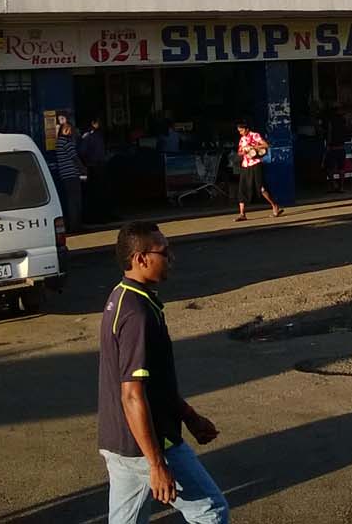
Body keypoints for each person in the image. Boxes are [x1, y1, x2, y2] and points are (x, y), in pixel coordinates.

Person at [98, 223, 226, 524]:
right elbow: (132, 395)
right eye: (164, 252)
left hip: (120, 442)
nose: (171, 258)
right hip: (149, 444)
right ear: (141, 258)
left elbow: (155, 383)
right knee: (211, 513)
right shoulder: (137, 314)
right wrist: (156, 463)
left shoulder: (123, 296)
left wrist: (189, 416)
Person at [232, 118, 282, 221]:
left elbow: (266, 145)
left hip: (256, 164)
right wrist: (244, 152)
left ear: (246, 129)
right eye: (239, 131)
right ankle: (242, 214)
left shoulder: (255, 135)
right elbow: (239, 152)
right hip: (245, 165)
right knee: (242, 188)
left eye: (241, 130)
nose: (240, 133)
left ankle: (274, 205)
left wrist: (253, 147)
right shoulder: (242, 139)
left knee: (261, 187)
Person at [80, 117, 115, 225]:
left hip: (102, 165)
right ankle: (96, 217)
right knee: (95, 193)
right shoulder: (87, 136)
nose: (100, 124)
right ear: (93, 123)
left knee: (104, 192)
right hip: (93, 167)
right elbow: (82, 152)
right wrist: (88, 163)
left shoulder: (99, 135)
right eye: (97, 122)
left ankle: (105, 215)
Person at [53, 115, 86, 230]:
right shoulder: (67, 143)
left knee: (70, 200)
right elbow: (74, 158)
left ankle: (73, 224)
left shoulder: (58, 143)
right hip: (71, 174)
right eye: (71, 130)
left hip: (64, 174)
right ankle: (76, 225)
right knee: (75, 201)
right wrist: (83, 169)